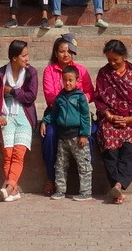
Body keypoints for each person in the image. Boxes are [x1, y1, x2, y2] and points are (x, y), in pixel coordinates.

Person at [0, 38, 38, 202]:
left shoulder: (31, 73)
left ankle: (9, 186)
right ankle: (13, 190)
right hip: (5, 117)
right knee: (8, 154)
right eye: (24, 56)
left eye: (27, 55)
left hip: (24, 116)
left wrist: (12, 92)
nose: (27, 59)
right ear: (14, 58)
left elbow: (31, 97)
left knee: (19, 153)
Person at [38, 35, 95, 196]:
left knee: (91, 135)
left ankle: (86, 183)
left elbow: (90, 92)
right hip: (56, 111)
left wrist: (81, 99)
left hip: (80, 112)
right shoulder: (49, 70)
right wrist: (66, 100)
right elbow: (50, 96)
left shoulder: (80, 70)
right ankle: (51, 177)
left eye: (69, 51)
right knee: (49, 136)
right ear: (56, 53)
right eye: (62, 51)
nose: (66, 54)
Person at [93, 38, 132, 204]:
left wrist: (131, 117)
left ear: (123, 56)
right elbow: (99, 99)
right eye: (109, 60)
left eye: (115, 60)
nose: (112, 63)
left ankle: (117, 185)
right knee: (109, 149)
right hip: (110, 119)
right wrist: (109, 115)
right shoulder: (104, 73)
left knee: (130, 148)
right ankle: (117, 188)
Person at [45, 64, 94, 200]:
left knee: (83, 164)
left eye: (70, 80)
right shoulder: (60, 98)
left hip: (77, 136)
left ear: (77, 81)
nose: (67, 83)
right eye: (65, 80)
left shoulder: (80, 97)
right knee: (60, 164)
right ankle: (60, 190)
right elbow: (54, 113)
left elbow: (86, 116)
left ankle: (86, 192)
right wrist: (45, 121)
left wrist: (84, 134)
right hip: (63, 137)